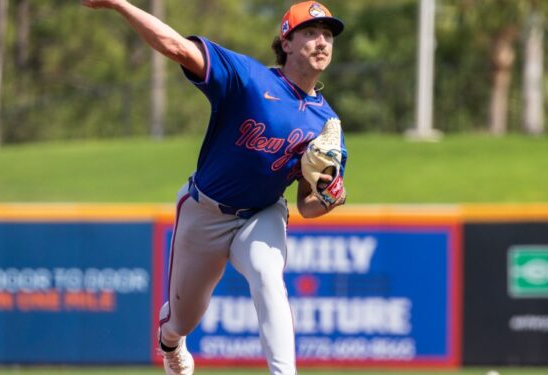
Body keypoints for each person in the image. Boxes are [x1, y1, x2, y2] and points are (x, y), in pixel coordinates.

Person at [81, 1, 348, 374]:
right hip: (205, 210)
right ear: (285, 43)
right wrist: (119, 4)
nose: (322, 42)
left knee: (268, 275)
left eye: (327, 35)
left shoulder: (327, 124)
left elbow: (308, 204)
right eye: (310, 32)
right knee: (182, 319)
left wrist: (331, 195)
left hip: (262, 213)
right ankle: (171, 343)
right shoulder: (250, 79)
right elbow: (176, 46)